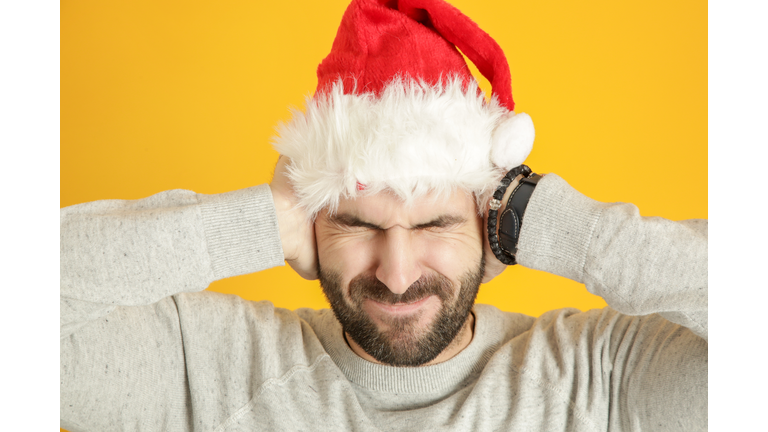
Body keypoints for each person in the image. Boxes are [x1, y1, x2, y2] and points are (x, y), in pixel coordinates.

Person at [60, 0, 707, 431]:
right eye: (358, 224)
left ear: (490, 229)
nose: (396, 274)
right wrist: (259, 222)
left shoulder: (601, 378)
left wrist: (557, 226)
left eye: (434, 224)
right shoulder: (205, 369)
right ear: (310, 227)